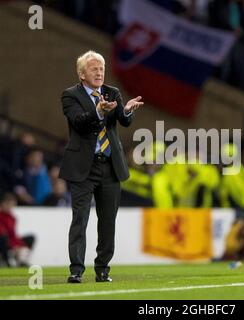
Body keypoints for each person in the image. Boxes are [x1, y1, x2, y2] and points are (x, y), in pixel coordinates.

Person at [59, 51, 143, 283]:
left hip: (110, 166)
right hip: (83, 167)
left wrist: (126, 110)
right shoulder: (70, 95)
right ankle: (76, 270)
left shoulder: (112, 92)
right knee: (80, 219)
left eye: (102, 68)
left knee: (107, 221)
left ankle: (103, 269)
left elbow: (123, 121)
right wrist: (98, 111)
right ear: (81, 74)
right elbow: (78, 122)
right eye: (94, 68)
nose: (99, 72)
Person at [0, 193, 35, 267]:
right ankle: (6, 262)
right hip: (3, 241)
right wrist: (14, 246)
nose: (9, 207)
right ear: (2, 204)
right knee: (3, 238)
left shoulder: (12, 218)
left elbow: (13, 235)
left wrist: (19, 244)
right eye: (8, 204)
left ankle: (22, 261)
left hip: (10, 241)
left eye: (11, 205)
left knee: (30, 238)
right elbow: (3, 233)